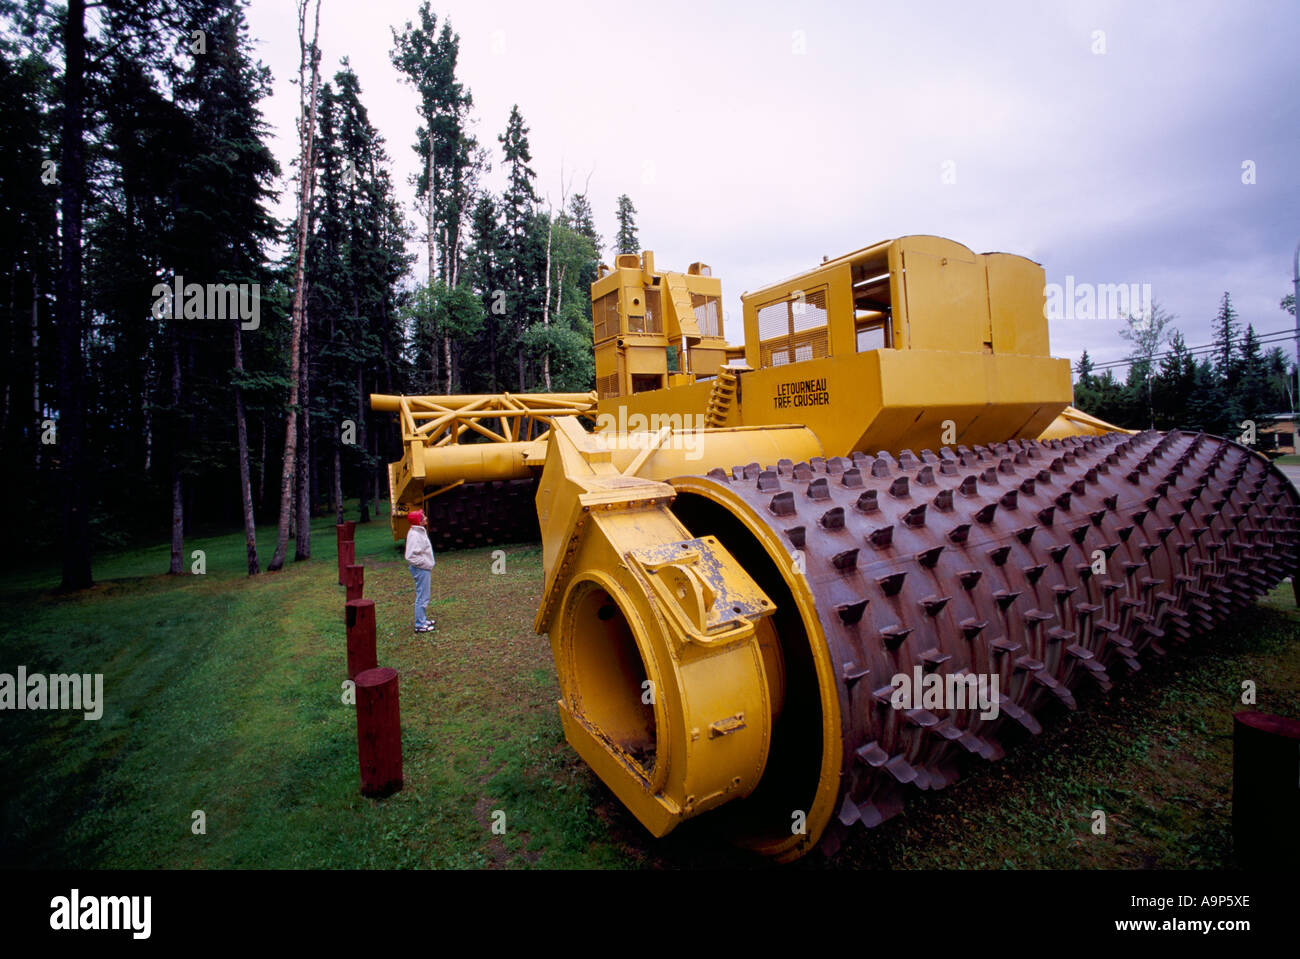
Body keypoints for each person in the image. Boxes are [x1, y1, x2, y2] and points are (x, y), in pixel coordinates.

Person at [404, 509, 436, 633]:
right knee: (422, 597)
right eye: (423, 517)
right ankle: (420, 624)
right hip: (421, 569)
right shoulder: (415, 535)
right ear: (419, 521)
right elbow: (410, 556)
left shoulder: (419, 532)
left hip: (423, 568)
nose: (426, 518)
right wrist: (425, 564)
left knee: (424, 595)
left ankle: (422, 619)